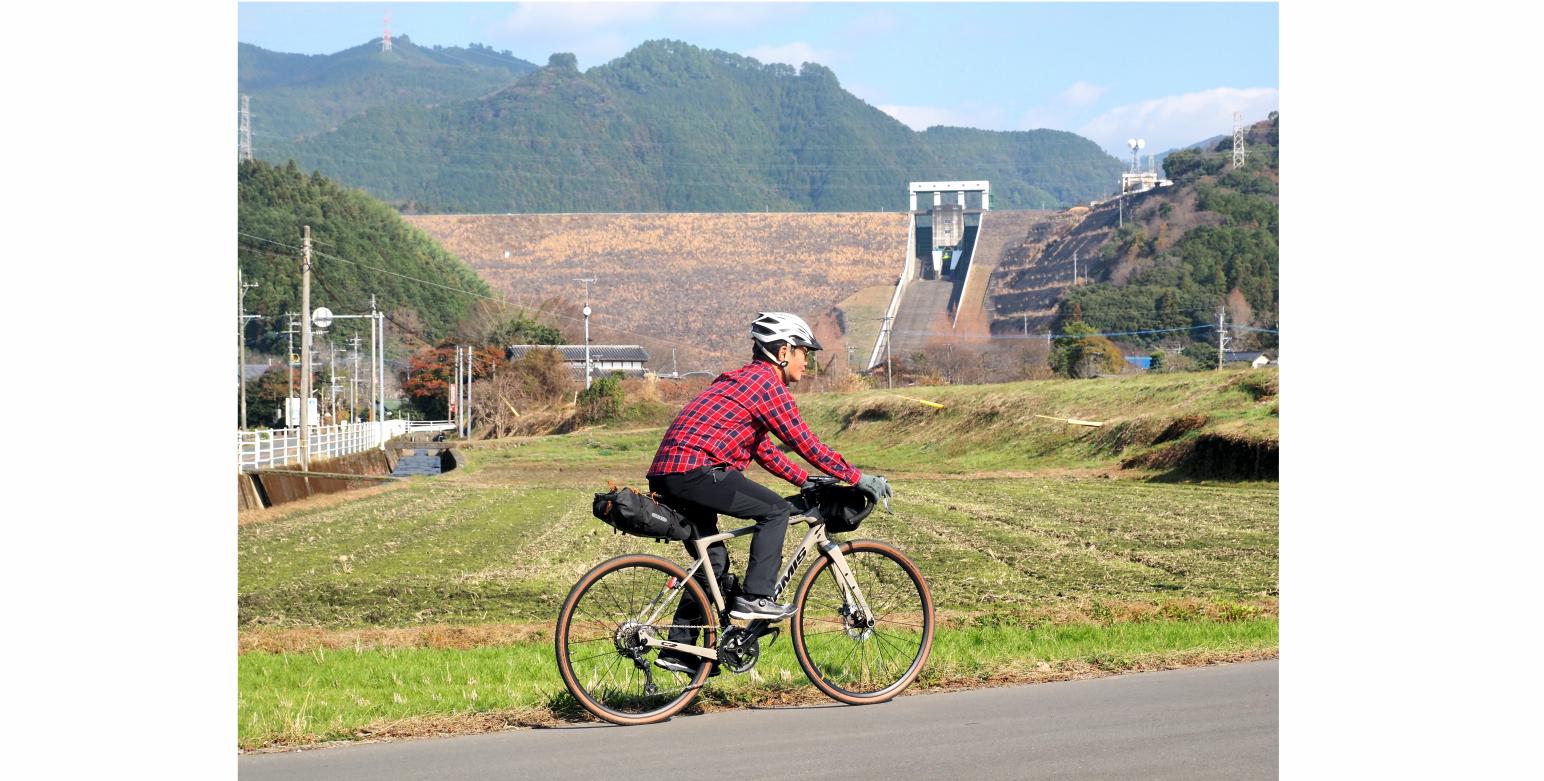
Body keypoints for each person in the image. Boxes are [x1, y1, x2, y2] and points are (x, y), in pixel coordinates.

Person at [647, 312, 891, 674]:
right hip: (697, 469)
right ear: (782, 351)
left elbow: (764, 449)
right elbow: (803, 440)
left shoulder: (744, 383)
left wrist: (803, 480)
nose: (807, 361)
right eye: (803, 352)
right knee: (776, 511)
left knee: (711, 564)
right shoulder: (766, 385)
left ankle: (680, 650)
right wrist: (855, 476)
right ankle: (756, 599)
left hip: (671, 471)